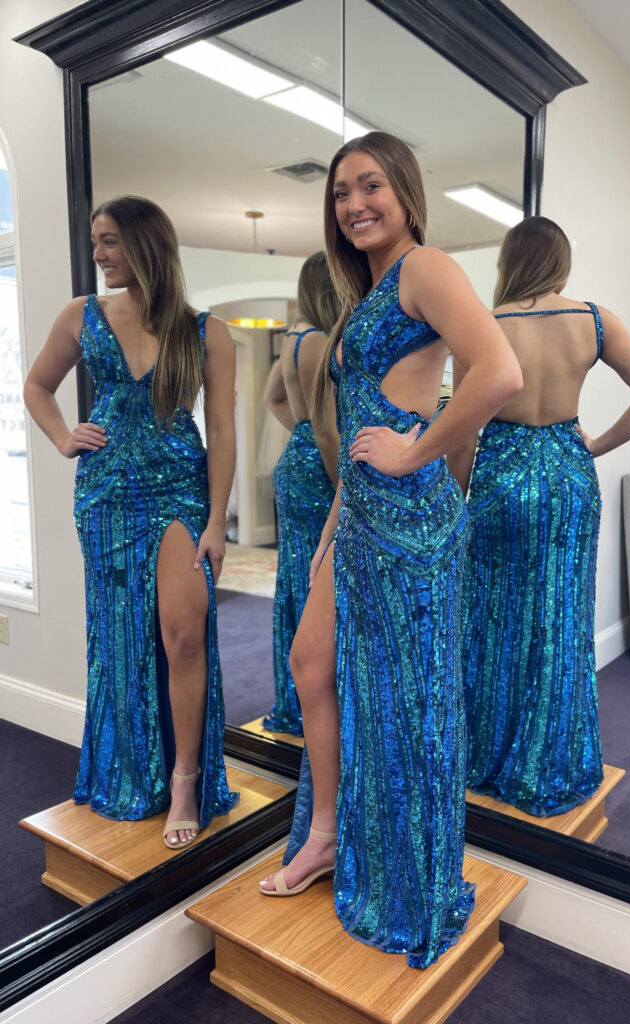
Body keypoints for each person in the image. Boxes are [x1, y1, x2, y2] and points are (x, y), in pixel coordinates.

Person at [259, 132, 523, 969]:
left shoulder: (427, 266)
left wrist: (417, 450)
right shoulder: (363, 292)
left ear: (405, 192)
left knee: (408, 700)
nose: (354, 203)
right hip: (362, 516)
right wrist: (329, 534)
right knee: (312, 664)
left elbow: (500, 373)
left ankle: (408, 869)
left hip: (413, 519)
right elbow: (359, 418)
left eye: (370, 185)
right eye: (341, 192)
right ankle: (331, 834)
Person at [23, 195, 238, 848]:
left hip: (178, 490)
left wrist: (214, 521)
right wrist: (63, 437)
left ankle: (184, 778)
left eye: (109, 240)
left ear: (145, 244)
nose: (98, 254)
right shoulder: (80, 316)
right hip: (108, 495)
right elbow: (37, 386)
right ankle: (128, 768)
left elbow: (224, 431)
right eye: (96, 241)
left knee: (182, 634)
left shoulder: (206, 330)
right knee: (120, 640)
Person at [452, 215, 630, 816]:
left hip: (500, 480)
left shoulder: (485, 326)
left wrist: (463, 495)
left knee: (493, 618)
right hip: (569, 477)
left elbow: (462, 432)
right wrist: (593, 445)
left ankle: (489, 759)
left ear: (509, 264)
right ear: (561, 262)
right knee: (560, 618)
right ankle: (549, 761)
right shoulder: (592, 320)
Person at [263, 252, 341, 735]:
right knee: (317, 575)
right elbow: (330, 430)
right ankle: (311, 691)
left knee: (298, 573)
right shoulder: (316, 340)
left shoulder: (295, 334)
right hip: (315, 471)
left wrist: (301, 434)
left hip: (296, 461)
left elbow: (274, 397)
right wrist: (341, 485)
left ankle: (296, 693)